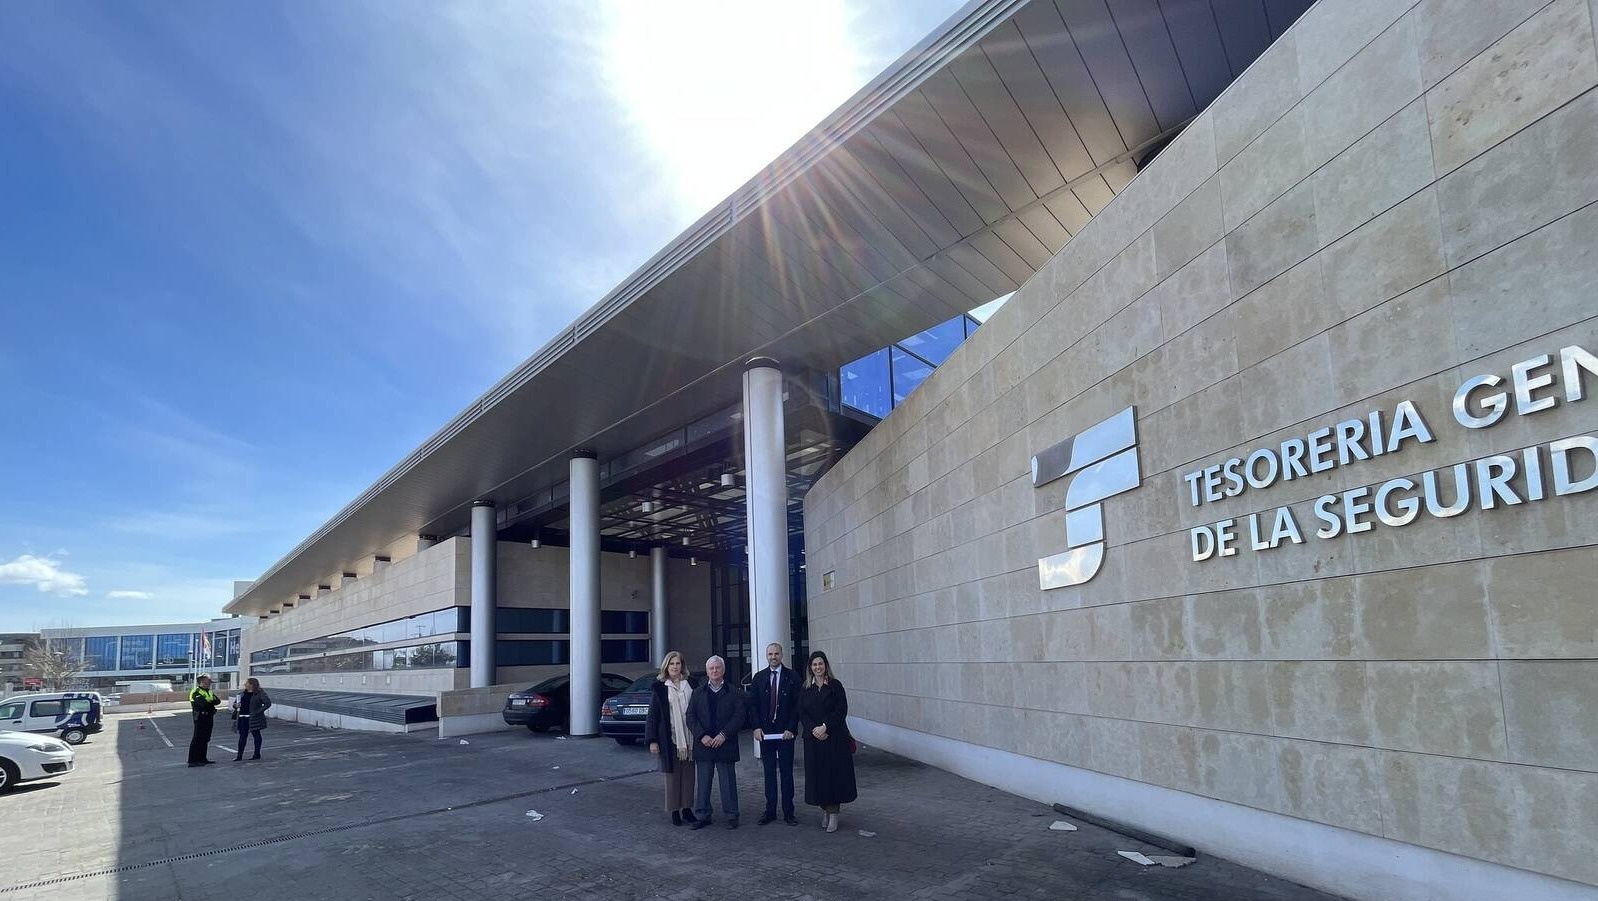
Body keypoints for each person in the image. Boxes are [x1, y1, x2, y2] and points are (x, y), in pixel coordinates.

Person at [684, 655, 750, 830]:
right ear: (707, 671)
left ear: (723, 670)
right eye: (711, 668)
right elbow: (690, 717)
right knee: (703, 783)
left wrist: (724, 735)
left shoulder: (733, 691)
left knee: (728, 782)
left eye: (717, 668)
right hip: (704, 744)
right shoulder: (697, 693)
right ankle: (703, 815)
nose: (714, 671)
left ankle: (731, 815)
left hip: (725, 744)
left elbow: (739, 716)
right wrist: (701, 735)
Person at [798, 651, 857, 833]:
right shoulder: (806, 687)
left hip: (833, 739)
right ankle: (824, 810)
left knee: (834, 777)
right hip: (813, 739)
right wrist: (814, 729)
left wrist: (825, 727)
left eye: (821, 664)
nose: (818, 667)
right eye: (814, 665)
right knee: (819, 778)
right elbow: (802, 712)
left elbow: (841, 710)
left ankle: (834, 814)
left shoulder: (835, 686)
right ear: (810, 667)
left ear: (826, 666)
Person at [748, 642, 800, 826]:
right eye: (770, 654)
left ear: (782, 654)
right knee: (769, 773)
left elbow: (797, 706)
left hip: (785, 733)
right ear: (766, 655)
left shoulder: (793, 677)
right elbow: (752, 705)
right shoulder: (759, 678)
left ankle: (789, 812)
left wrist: (792, 728)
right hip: (765, 733)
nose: (773, 657)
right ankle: (770, 811)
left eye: (776, 653)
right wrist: (755, 727)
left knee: (786, 773)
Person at [645, 651, 699, 826]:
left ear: (682, 666)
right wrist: (652, 740)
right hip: (670, 738)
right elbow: (652, 716)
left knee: (689, 776)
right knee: (672, 776)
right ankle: (675, 810)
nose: (675, 667)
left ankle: (687, 809)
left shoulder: (691, 684)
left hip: (690, 739)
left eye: (678, 663)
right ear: (666, 667)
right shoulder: (660, 688)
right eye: (672, 664)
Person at [232, 677, 272, 761]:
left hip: (253, 718)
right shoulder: (242, 694)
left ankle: (257, 754)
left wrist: (258, 712)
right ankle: (239, 755)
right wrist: (235, 705)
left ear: (252, 684)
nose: (245, 684)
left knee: (256, 735)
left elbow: (267, 703)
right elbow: (235, 704)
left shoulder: (259, 693)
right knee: (242, 737)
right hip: (242, 717)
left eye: (247, 683)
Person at [187, 674, 220, 767]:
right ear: (202, 682)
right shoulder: (196, 692)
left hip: (209, 717)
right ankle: (192, 760)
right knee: (197, 738)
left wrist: (210, 703)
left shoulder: (209, 691)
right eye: (208, 681)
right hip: (200, 717)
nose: (209, 683)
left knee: (205, 738)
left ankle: (202, 758)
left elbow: (218, 701)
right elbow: (202, 704)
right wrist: (210, 703)